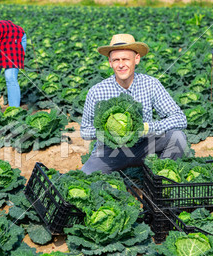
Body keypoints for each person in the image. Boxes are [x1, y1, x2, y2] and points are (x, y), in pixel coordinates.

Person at [80, 34, 188, 175]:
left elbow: (180, 119)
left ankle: (160, 183)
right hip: (109, 152)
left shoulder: (151, 84)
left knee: (177, 137)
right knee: (85, 176)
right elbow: (85, 131)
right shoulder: (97, 91)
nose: (121, 64)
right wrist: (108, 133)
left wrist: (147, 128)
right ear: (110, 62)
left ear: (136, 59)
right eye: (116, 60)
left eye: (125, 59)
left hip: (144, 146)